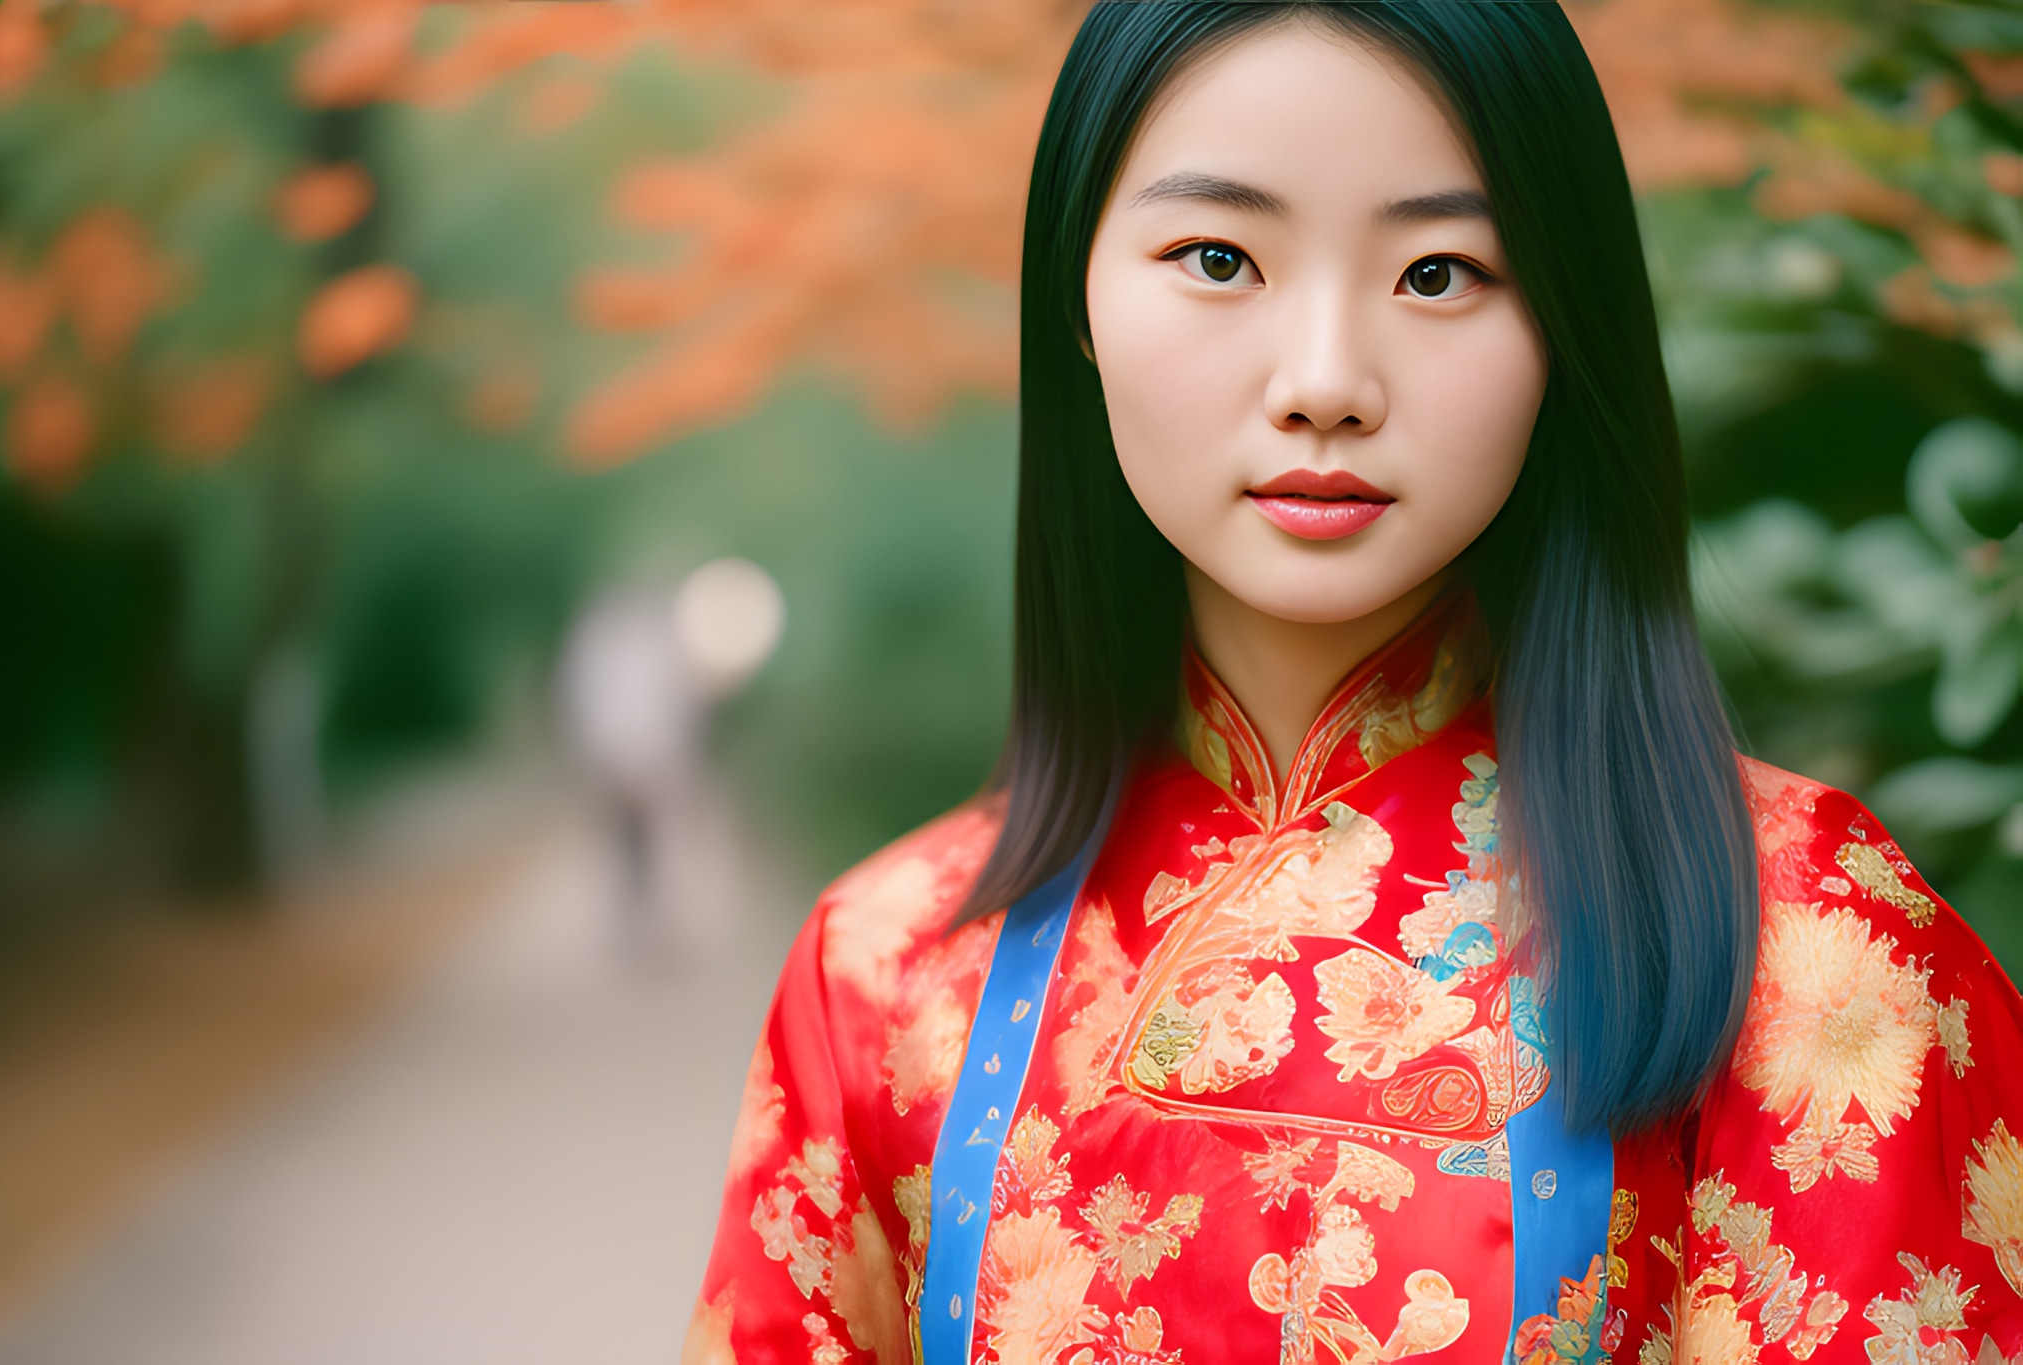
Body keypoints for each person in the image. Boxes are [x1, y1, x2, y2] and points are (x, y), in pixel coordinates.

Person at [687, 4, 2023, 1361]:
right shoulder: (887, 978)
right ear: (1074, 305)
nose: (1325, 381)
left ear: (1567, 329)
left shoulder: (1807, 943)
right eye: (1219, 257)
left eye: (1439, 273)